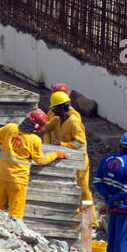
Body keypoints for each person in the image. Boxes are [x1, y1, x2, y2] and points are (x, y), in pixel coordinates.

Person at [0, 110, 67, 220]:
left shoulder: (10, 128)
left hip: (2, 175)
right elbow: (41, 160)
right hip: (18, 181)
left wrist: (6, 143)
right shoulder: (34, 140)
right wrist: (55, 154)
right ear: (37, 127)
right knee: (15, 215)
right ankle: (12, 234)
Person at [43, 89, 95, 221]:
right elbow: (46, 128)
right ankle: (75, 215)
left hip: (80, 161)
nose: (52, 111)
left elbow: (80, 143)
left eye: (54, 108)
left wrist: (63, 144)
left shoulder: (74, 122)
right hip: (67, 159)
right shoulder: (56, 120)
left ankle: (90, 219)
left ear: (61, 108)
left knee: (83, 189)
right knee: (69, 186)